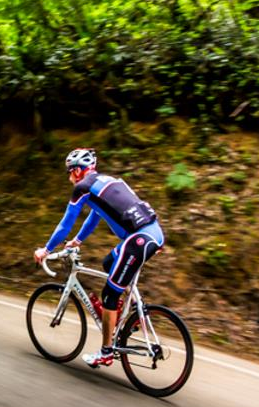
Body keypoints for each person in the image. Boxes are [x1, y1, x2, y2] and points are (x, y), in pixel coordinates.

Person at [33, 148, 165, 368]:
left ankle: (106, 352)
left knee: (110, 293)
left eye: (69, 172)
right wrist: (77, 241)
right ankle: (124, 316)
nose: (69, 177)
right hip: (153, 233)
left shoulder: (82, 187)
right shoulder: (106, 183)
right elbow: (96, 215)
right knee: (109, 263)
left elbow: (65, 224)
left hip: (139, 239)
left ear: (76, 171)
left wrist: (45, 250)